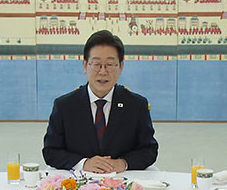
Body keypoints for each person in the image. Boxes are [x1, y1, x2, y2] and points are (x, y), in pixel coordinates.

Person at [43, 30, 158, 173]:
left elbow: (149, 150)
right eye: (96, 64)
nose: (103, 71)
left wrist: (122, 163)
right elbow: (51, 151)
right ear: (85, 65)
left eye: (110, 64)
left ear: (121, 66)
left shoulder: (136, 105)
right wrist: (83, 163)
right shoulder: (65, 106)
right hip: (79, 183)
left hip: (123, 182)